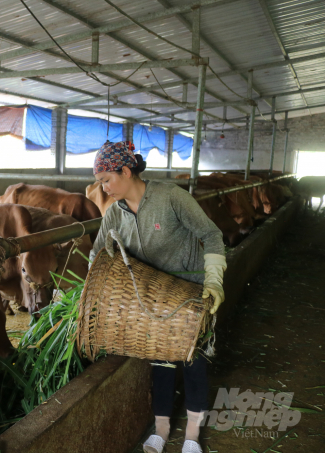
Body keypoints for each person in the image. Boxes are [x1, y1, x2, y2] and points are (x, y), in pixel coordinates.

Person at [88, 141, 226, 453]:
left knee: (193, 360)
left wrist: (215, 282)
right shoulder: (114, 214)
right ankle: (162, 429)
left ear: (126, 171)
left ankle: (192, 434)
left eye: (106, 180)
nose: (104, 188)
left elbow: (212, 235)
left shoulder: (170, 197)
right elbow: (97, 255)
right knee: (161, 362)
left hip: (189, 292)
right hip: (149, 300)